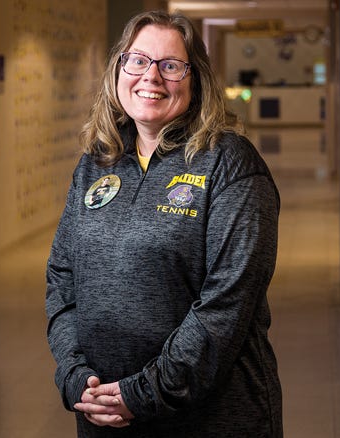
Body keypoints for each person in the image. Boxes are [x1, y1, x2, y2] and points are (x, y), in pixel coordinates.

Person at [46, 10, 282, 438]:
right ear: (119, 69)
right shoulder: (95, 165)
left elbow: (227, 302)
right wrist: (77, 377)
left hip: (210, 419)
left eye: (171, 66)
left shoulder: (230, 164)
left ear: (197, 80)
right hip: (105, 415)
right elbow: (62, 278)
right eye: (137, 60)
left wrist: (144, 393)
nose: (151, 77)